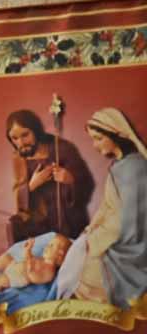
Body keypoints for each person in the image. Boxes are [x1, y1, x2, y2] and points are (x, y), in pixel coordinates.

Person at [56, 108, 147, 308]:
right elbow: (107, 207)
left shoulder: (133, 169)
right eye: (93, 140)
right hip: (115, 237)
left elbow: (128, 220)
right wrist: (90, 230)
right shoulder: (119, 165)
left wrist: (95, 240)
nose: (95, 145)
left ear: (116, 134)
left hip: (133, 247)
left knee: (85, 271)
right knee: (77, 259)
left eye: (99, 138)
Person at [5, 110, 93, 243]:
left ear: (36, 130)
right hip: (38, 227)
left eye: (25, 135)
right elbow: (19, 199)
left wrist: (70, 179)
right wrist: (32, 185)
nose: (21, 143)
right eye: (14, 138)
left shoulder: (62, 148)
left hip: (67, 222)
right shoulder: (18, 158)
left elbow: (87, 184)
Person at [0, 232, 72, 299]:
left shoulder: (49, 271)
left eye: (51, 246)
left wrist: (31, 272)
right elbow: (30, 258)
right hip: (16, 267)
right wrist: (28, 249)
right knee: (7, 258)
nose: (47, 246)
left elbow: (37, 279)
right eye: (49, 244)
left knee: (0, 280)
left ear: (59, 254)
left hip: (20, 277)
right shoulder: (42, 259)